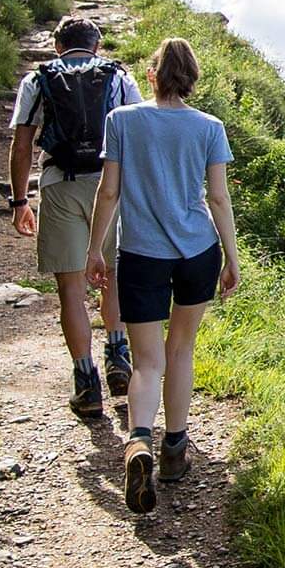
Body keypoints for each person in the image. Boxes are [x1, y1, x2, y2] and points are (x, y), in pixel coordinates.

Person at [84, 36, 241, 515]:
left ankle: (138, 441)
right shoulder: (209, 128)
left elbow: (109, 193)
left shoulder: (122, 122)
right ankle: (175, 450)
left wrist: (95, 249)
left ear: (151, 76)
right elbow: (217, 198)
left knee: (147, 360)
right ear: (192, 80)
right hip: (198, 251)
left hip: (140, 254)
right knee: (182, 349)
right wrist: (232, 256)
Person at [9, 15, 140, 418]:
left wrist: (19, 201)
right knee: (113, 275)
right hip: (111, 186)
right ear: (96, 45)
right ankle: (119, 355)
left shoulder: (38, 80)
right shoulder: (118, 77)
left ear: (57, 46)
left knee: (71, 288)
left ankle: (87, 383)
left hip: (60, 183)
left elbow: (22, 144)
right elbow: (139, 132)